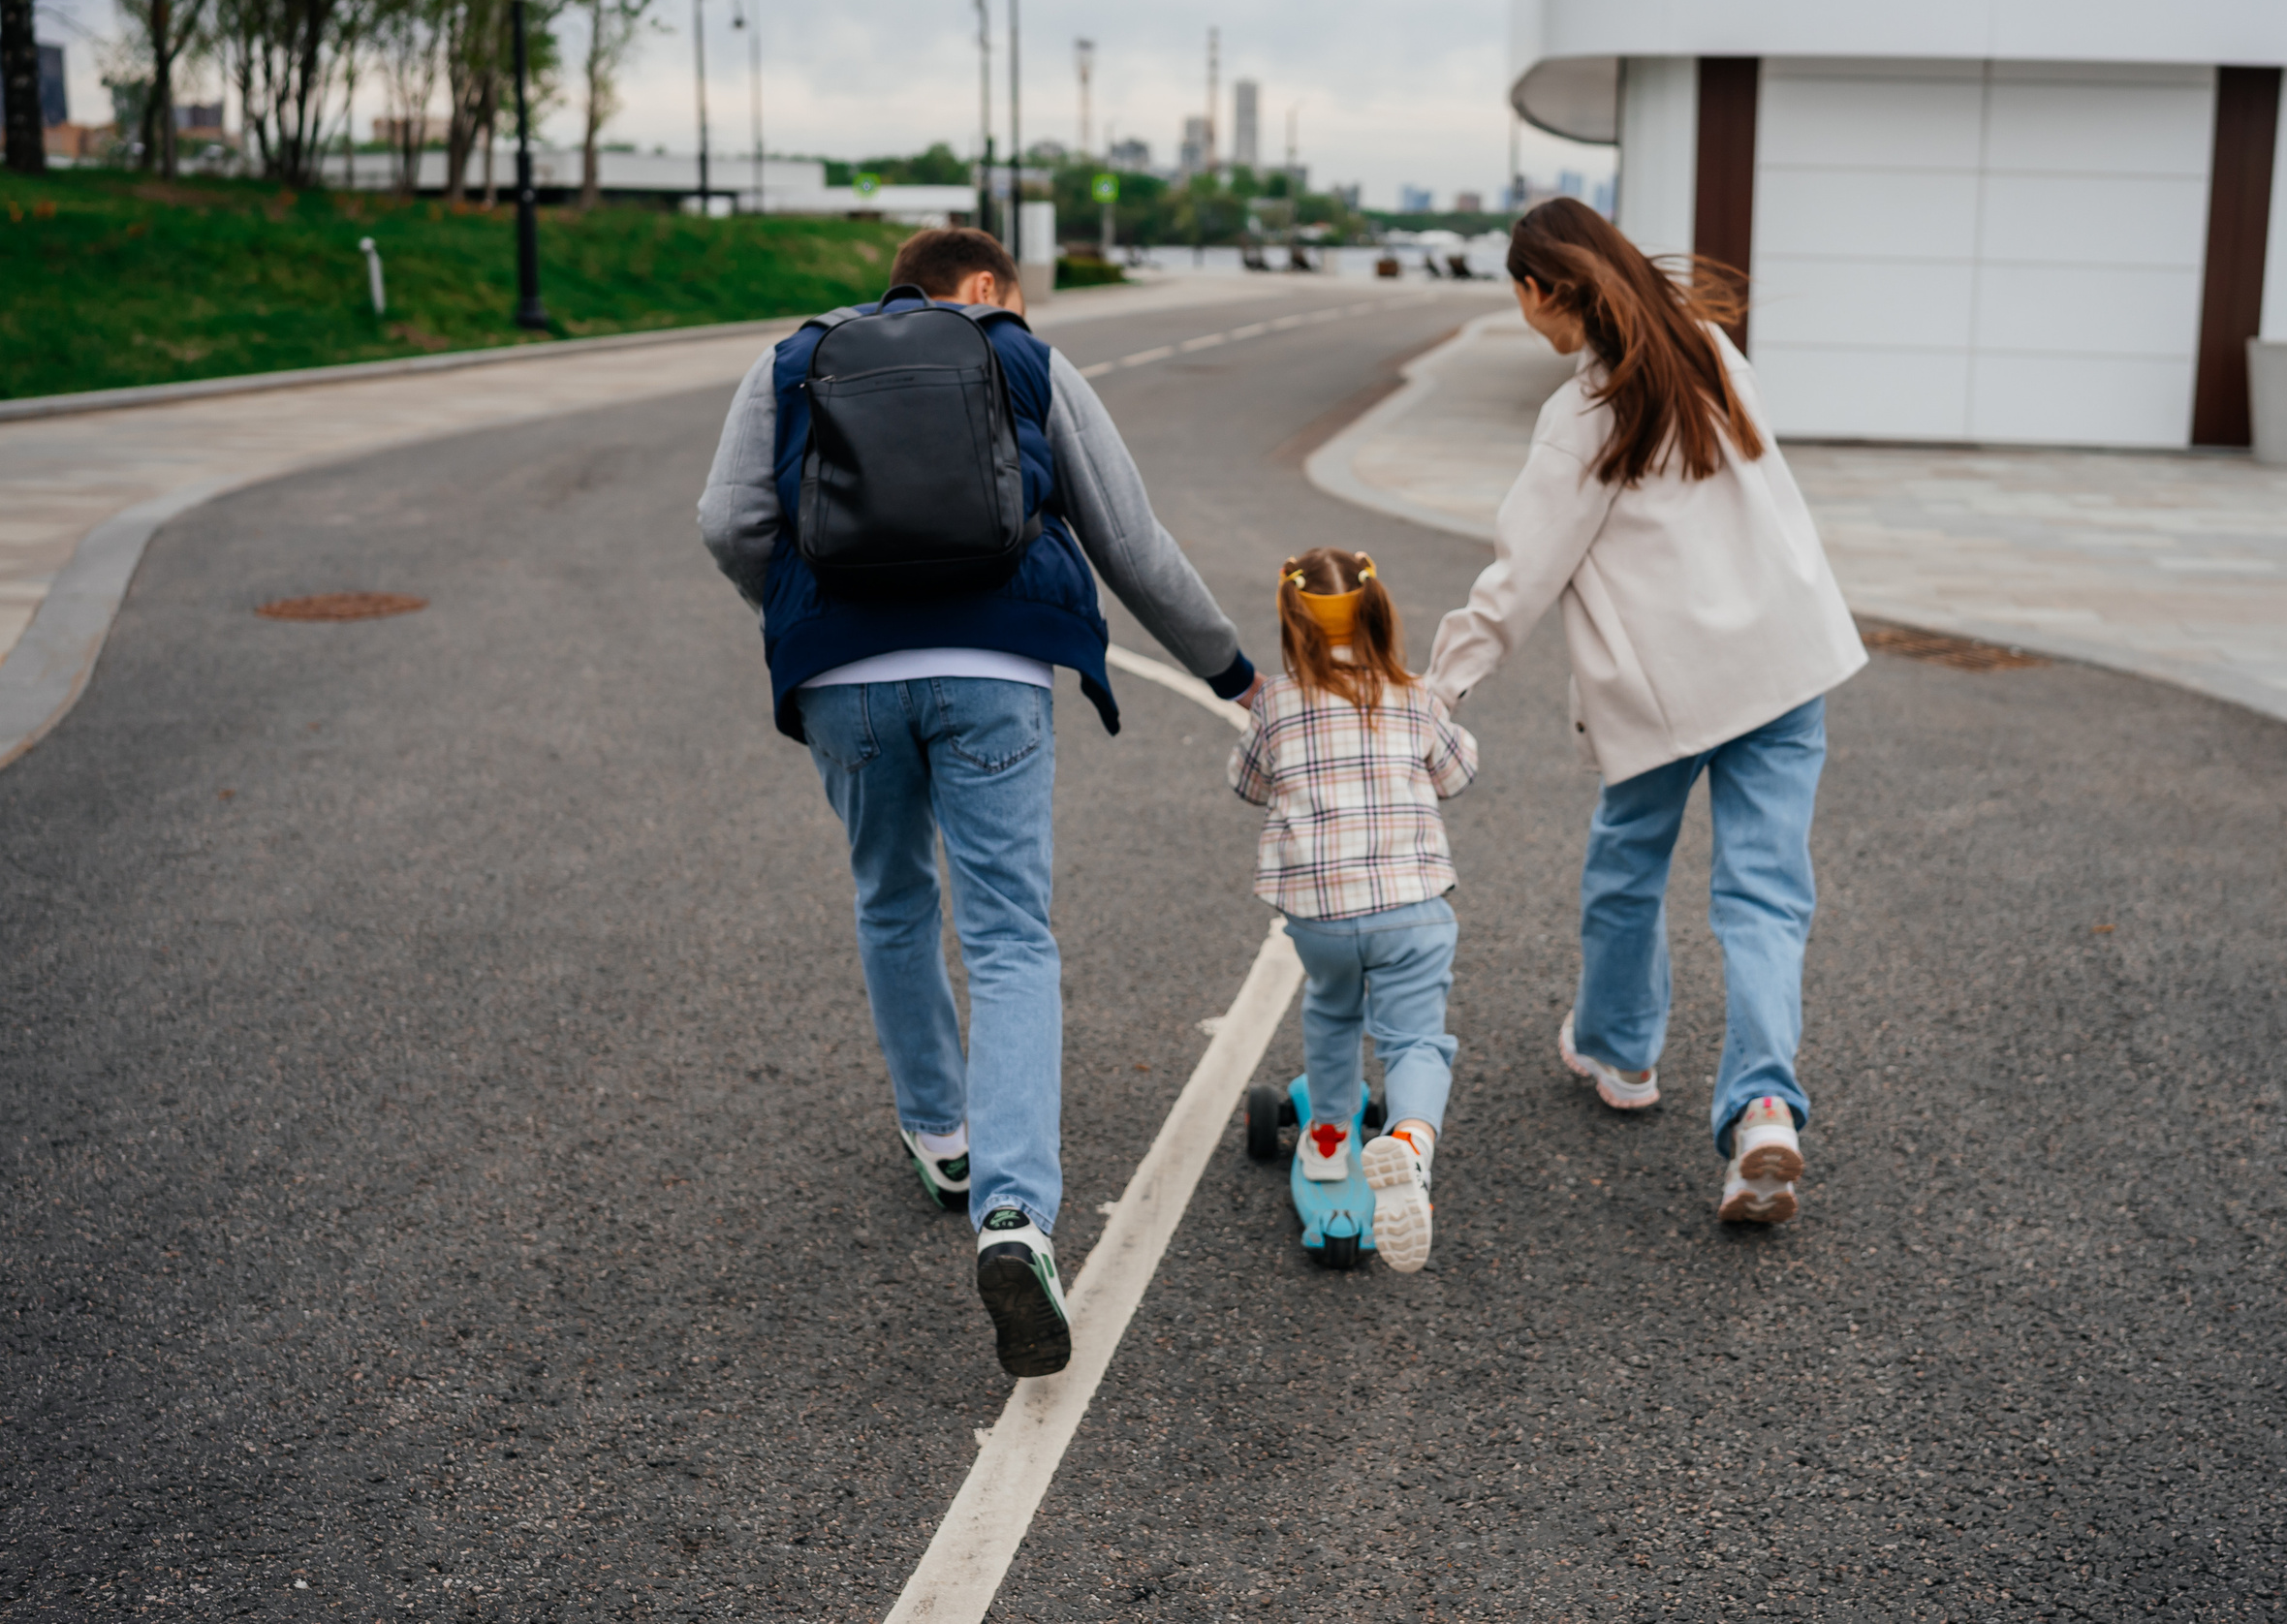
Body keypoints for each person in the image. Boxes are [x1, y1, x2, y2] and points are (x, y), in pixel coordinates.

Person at [696, 229, 1263, 1375]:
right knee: (1008, 935)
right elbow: (1129, 541)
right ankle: (1013, 1216)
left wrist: (802, 610)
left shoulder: (791, 359)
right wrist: (1233, 674)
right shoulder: (1020, 355)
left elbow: (728, 522)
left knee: (890, 896)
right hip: (993, 670)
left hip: (841, 672)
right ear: (989, 284)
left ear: (896, 280)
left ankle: (940, 1136)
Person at [1424, 197, 1867, 1225]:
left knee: (1627, 869)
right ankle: (1762, 1108)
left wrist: (1432, 692)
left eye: (1521, 298)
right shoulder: (1710, 351)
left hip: (1672, 692)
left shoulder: (1583, 412)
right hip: (1786, 659)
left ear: (1541, 290)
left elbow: (1519, 581)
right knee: (1765, 897)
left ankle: (1622, 1053)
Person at [1230, 547, 1479, 1271]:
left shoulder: (1277, 703)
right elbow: (1457, 772)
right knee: (1415, 1040)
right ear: (1378, 612)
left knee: (1333, 1010)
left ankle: (1331, 1137)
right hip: (1412, 907)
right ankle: (1410, 1141)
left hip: (1324, 914)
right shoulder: (1414, 693)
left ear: (1291, 621)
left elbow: (1246, 782)